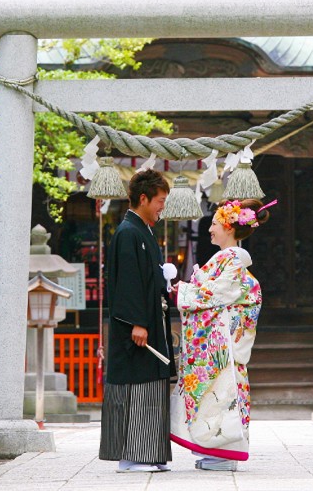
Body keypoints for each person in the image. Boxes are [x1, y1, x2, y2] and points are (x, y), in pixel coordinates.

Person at [169, 198, 271, 472]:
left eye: (214, 224)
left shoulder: (233, 260)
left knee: (221, 395)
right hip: (221, 343)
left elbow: (217, 295)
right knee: (217, 395)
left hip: (220, 345)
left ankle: (223, 452)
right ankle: (216, 450)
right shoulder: (229, 260)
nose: (210, 229)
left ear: (228, 227)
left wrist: (184, 292)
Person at [99, 169, 174, 472]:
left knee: (151, 385)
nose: (162, 206)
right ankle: (131, 456)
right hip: (136, 328)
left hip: (150, 322)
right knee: (136, 384)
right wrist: (136, 323)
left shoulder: (143, 230)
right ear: (143, 198)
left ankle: (149, 453)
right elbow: (128, 282)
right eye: (159, 200)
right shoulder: (128, 232)